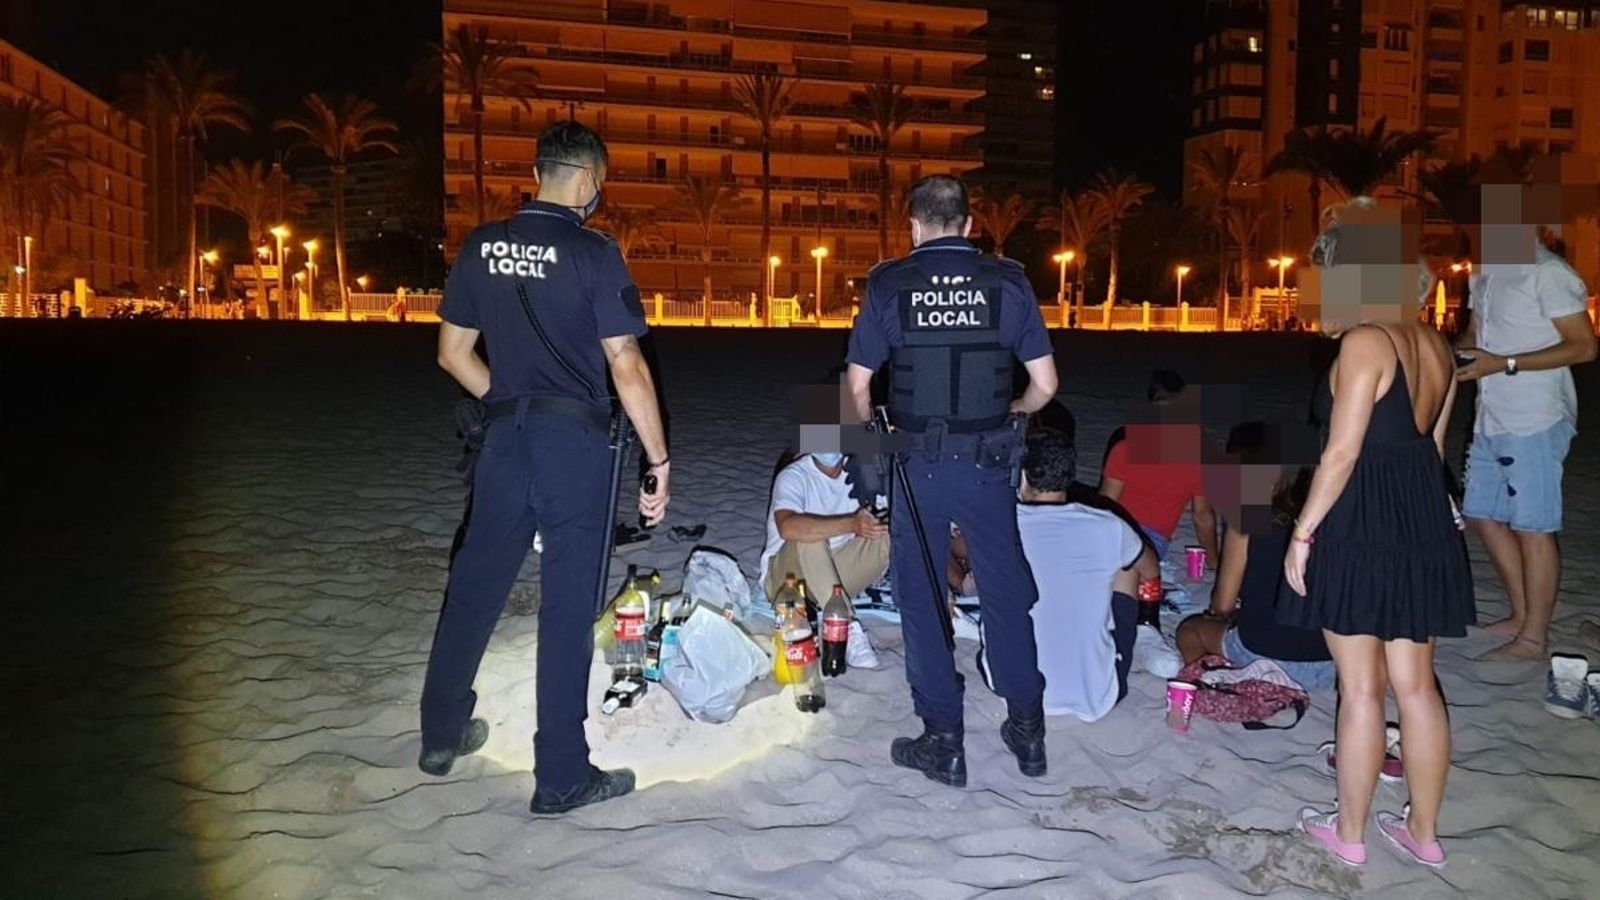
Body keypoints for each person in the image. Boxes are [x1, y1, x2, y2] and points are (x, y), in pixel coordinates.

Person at [419, 121, 671, 815]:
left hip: (503, 443)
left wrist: (505, 401)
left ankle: (440, 735)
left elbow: (452, 354)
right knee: (565, 609)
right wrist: (659, 457)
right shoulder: (594, 251)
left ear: (540, 171)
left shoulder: (482, 245)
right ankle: (560, 776)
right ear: (587, 182)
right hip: (574, 448)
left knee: (473, 588)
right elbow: (625, 363)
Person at [845, 174, 1059, 787]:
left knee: (921, 598)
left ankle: (943, 739)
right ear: (969, 225)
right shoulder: (1008, 282)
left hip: (916, 466)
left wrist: (873, 441)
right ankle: (1028, 731)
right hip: (990, 463)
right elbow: (1046, 385)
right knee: (1005, 594)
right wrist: (1015, 410)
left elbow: (857, 389)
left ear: (913, 226)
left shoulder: (890, 283)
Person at [1281, 198, 1474, 869]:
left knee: (1361, 688)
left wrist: (1303, 532)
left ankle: (1353, 834)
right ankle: (1423, 834)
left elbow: (1342, 453)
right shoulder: (1434, 344)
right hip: (1420, 517)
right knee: (1417, 687)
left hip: (1362, 521)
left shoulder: (1365, 342)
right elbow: (1433, 446)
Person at [1455, 177, 1597, 661]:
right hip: (1490, 415)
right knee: (1481, 514)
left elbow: (1584, 346)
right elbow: (1474, 333)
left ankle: (1534, 637)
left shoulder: (1548, 272)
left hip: (1536, 415)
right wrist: (1446, 358)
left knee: (1533, 526)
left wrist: (1504, 363)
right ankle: (1521, 614)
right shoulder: (1485, 271)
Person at [985, 428, 1156, 720]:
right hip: (1098, 694)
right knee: (1125, 569)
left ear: (1022, 476)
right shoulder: (1107, 525)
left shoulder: (998, 525)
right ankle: (1147, 630)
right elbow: (1151, 569)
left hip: (1010, 688)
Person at [1175, 423, 1334, 692]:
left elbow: (1222, 606)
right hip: (1329, 665)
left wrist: (1222, 614)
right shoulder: (1328, 519)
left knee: (1190, 630)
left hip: (1261, 653)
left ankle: (1212, 683)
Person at [1098, 370, 1220, 568]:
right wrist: (1215, 563)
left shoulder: (1124, 447)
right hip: (1151, 543)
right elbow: (1202, 516)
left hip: (1115, 533)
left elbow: (1105, 505)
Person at [759, 451, 890, 601]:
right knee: (809, 536)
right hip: (788, 581)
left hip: (838, 573)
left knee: (896, 530)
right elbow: (787, 527)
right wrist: (852, 524)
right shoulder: (793, 476)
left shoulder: (859, 472)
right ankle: (842, 617)